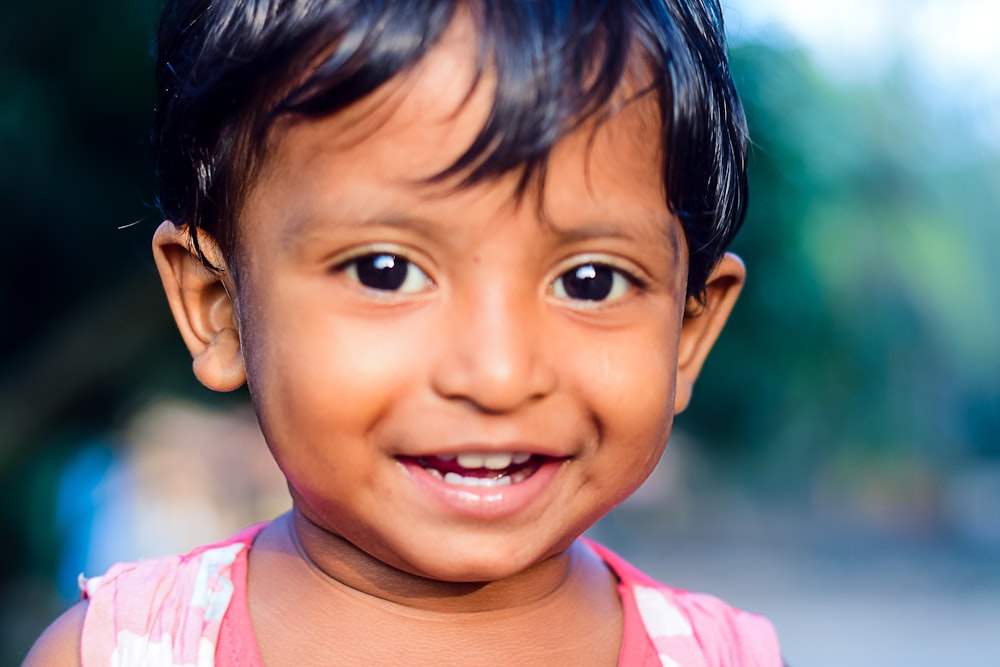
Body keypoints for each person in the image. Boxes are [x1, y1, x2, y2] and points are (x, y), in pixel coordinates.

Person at [26, 0, 783, 664]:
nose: (497, 373)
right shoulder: (120, 653)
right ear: (218, 306)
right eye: (385, 270)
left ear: (688, 331)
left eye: (591, 281)